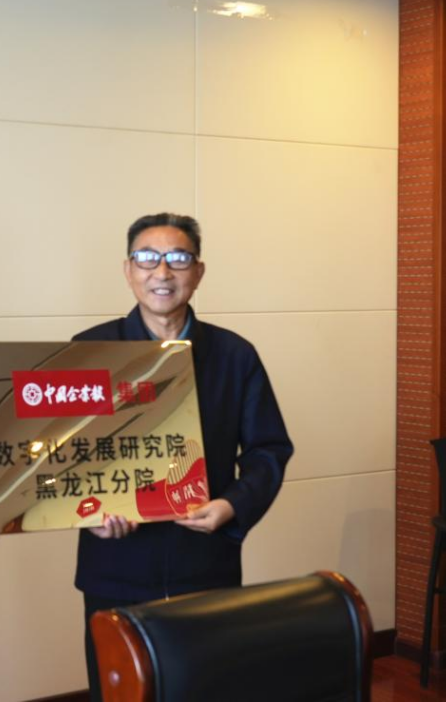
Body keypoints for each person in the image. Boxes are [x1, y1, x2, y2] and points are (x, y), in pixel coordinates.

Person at [74, 212, 293, 701]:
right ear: (128, 270)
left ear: (198, 271)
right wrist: (85, 513)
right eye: (147, 258)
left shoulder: (235, 355)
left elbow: (269, 449)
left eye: (178, 258)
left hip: (205, 562)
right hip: (115, 564)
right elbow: (59, 455)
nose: (162, 272)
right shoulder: (88, 350)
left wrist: (232, 505)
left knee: (208, 688)